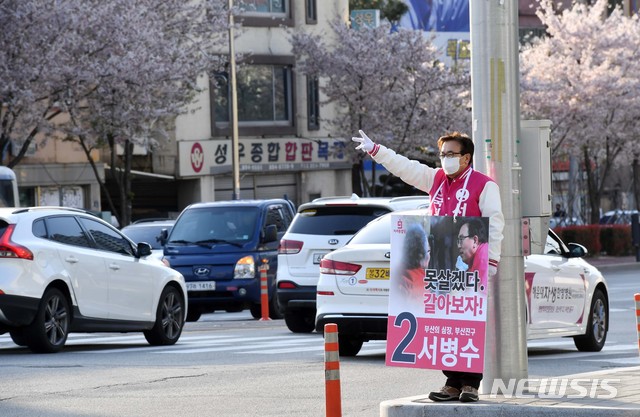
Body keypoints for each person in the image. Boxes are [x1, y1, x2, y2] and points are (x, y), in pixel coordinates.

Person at [352, 129, 504, 403]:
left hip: (470, 265)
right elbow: (405, 168)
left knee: (466, 322)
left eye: (451, 154)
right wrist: (376, 150)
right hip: (439, 263)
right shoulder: (435, 179)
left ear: (466, 158)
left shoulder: (484, 185)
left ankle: (470, 383)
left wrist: (490, 260)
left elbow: (496, 222)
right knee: (443, 322)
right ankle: (452, 382)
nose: (445, 159)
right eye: (442, 154)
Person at [456, 218, 489, 290]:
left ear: (475, 240)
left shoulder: (483, 258)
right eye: (458, 241)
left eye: (461, 239)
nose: (458, 246)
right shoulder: (475, 258)